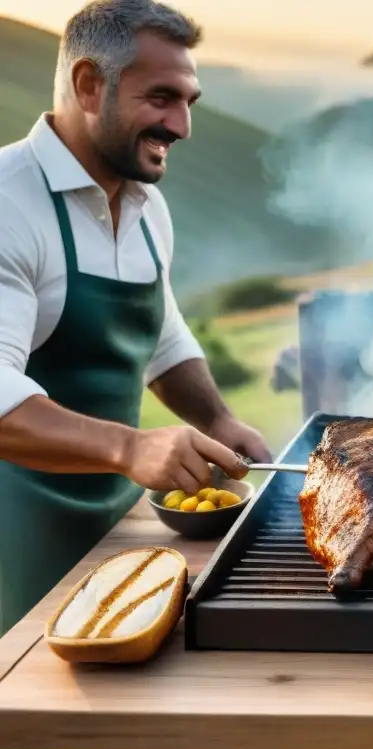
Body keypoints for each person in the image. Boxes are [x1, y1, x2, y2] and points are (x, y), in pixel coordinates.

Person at [0, 0, 273, 635]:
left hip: (111, 513)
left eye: (189, 102)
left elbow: (160, 338)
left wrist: (218, 420)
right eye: (161, 98)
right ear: (90, 85)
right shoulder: (8, 202)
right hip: (13, 522)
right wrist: (129, 446)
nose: (181, 125)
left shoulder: (147, 207)